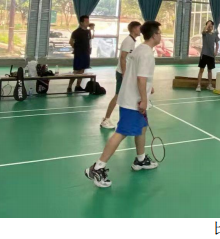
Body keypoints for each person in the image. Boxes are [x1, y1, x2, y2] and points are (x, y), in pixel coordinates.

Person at [85, 21, 161, 188]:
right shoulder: (146, 54)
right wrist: (144, 99)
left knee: (142, 128)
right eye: (159, 33)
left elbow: (137, 75)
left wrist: (149, 88)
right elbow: (140, 78)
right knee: (121, 133)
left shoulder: (140, 48)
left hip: (130, 96)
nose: (160, 35)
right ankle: (97, 168)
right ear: (154, 35)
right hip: (133, 101)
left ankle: (140, 159)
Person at [100, 21, 142, 129]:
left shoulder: (132, 41)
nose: (140, 30)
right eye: (139, 28)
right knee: (118, 96)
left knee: (126, 96)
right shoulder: (128, 41)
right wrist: (125, 73)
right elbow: (123, 58)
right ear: (134, 29)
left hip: (126, 73)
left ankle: (128, 119)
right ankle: (106, 119)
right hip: (122, 73)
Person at [68, 15, 94, 93]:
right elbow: (71, 42)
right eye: (86, 21)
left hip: (86, 53)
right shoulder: (76, 32)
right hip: (79, 54)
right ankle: (69, 86)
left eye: (88, 21)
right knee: (76, 71)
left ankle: (78, 86)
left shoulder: (88, 31)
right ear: (81, 23)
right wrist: (77, 48)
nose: (88, 23)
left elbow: (90, 40)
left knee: (82, 70)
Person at [196, 20, 219, 92]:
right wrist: (208, 24)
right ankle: (198, 85)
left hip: (211, 55)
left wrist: (216, 51)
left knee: (210, 70)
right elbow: (203, 30)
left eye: (211, 26)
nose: (210, 27)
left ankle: (209, 85)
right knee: (201, 70)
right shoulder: (204, 33)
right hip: (204, 54)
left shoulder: (215, 34)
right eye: (209, 26)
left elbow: (217, 44)